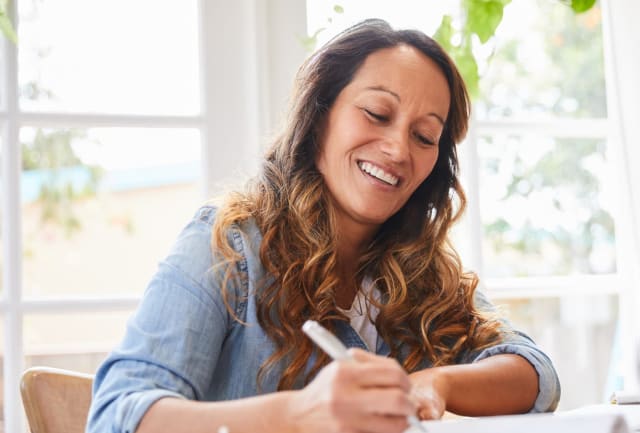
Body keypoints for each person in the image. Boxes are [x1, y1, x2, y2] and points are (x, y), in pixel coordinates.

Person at [86, 18, 559, 433]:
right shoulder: (228, 246)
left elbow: (536, 374)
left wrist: (440, 381)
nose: (398, 150)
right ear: (318, 118)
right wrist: (298, 415)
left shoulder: (423, 274)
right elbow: (114, 417)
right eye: (377, 113)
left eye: (424, 136)